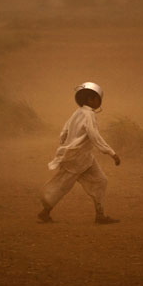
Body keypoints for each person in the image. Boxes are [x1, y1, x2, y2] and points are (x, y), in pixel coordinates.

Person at [38, 82, 121, 224]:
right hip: (77, 158)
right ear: (90, 99)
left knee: (99, 181)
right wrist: (111, 153)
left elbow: (64, 131)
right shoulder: (89, 115)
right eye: (98, 99)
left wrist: (65, 145)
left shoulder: (77, 113)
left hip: (82, 157)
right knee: (62, 185)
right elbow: (95, 136)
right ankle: (45, 212)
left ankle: (99, 215)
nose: (99, 102)